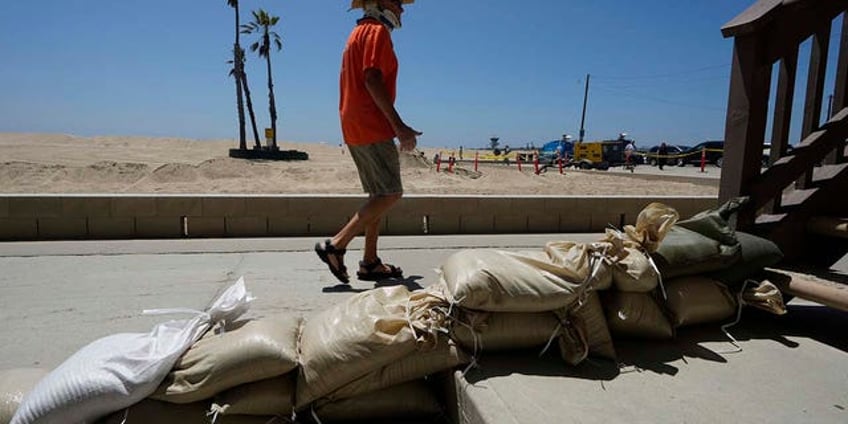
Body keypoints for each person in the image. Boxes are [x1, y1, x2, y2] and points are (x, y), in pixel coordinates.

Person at [314, 0, 421, 284]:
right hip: (371, 123)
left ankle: (370, 262)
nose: (402, 9)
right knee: (390, 194)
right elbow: (372, 78)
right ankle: (336, 245)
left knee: (378, 194)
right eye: (398, 3)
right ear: (384, 3)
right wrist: (400, 127)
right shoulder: (377, 32)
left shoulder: (356, 33)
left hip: (353, 122)